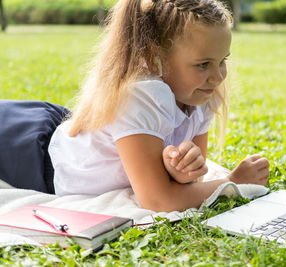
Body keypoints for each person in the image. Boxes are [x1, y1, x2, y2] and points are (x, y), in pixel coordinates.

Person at [49, 0, 269, 212]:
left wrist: (183, 172)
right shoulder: (139, 96)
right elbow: (159, 201)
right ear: (155, 57)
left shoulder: (200, 93)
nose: (218, 76)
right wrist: (232, 183)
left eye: (222, 61)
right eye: (203, 64)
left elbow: (195, 178)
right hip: (40, 158)